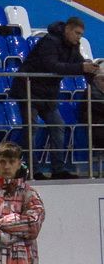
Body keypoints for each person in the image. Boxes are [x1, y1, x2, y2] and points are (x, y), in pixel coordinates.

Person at [18, 18, 99, 179]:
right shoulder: (49, 41)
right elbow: (52, 65)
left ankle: (58, 169)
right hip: (28, 90)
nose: (79, 37)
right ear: (67, 29)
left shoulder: (73, 45)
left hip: (47, 93)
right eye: (77, 33)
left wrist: (92, 72)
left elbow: (79, 63)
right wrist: (82, 67)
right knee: (31, 129)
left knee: (58, 126)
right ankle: (33, 170)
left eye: (81, 34)